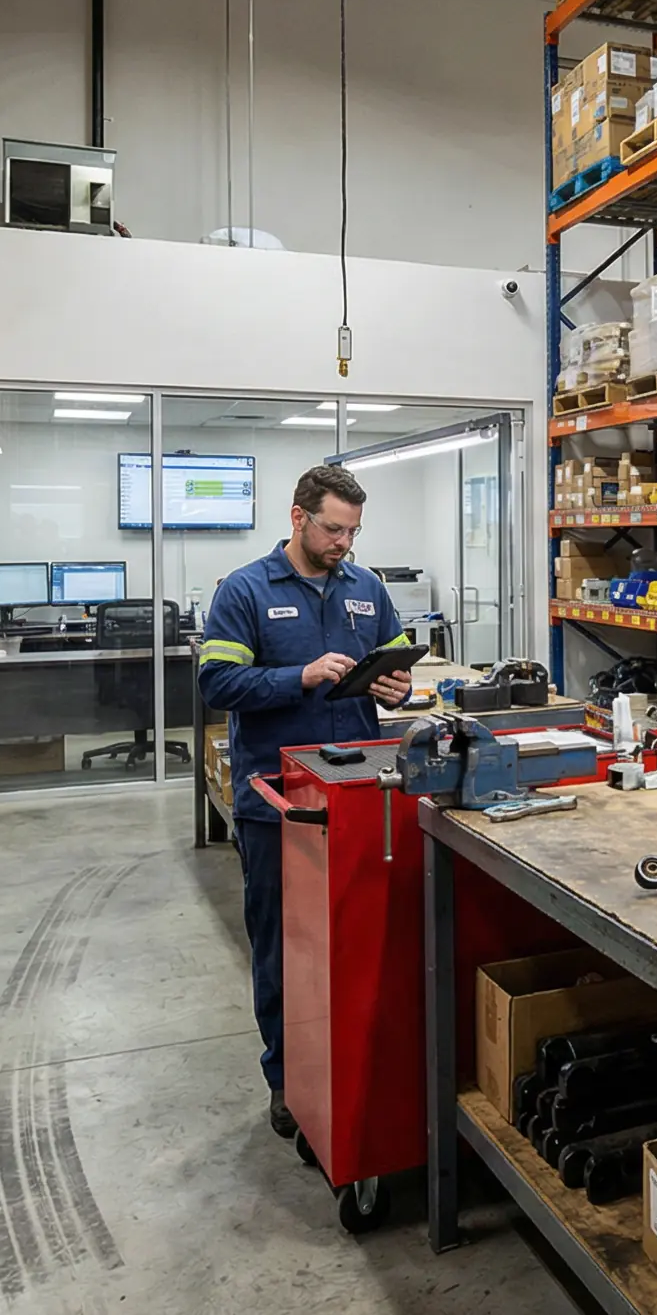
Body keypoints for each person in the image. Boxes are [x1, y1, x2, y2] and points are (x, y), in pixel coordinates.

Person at [198, 462, 410, 1140]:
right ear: (298, 518)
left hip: (359, 797)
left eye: (352, 530)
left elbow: (398, 657)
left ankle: (352, 1066)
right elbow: (218, 683)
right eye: (332, 528)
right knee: (282, 948)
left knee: (356, 944)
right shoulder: (246, 591)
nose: (343, 542)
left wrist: (395, 686)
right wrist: (301, 676)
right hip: (280, 805)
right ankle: (287, 1077)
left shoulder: (367, 589)